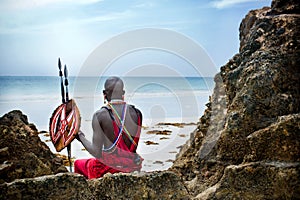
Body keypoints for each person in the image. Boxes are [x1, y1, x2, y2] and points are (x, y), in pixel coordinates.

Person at [74, 76, 143, 179]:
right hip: (132, 165)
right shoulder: (137, 113)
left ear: (104, 94)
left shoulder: (100, 115)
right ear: (123, 93)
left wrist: (80, 136)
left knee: (78, 163)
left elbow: (96, 152)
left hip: (109, 168)